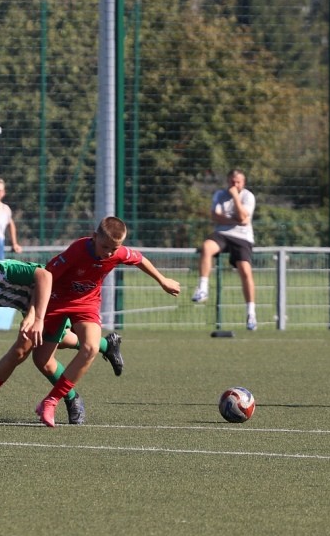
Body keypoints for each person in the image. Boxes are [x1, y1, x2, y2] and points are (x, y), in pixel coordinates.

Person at [0, 260, 125, 425]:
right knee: (54, 349)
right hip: (32, 308)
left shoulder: (5, 271)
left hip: (53, 298)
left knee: (25, 353)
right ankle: (106, 346)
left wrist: (35, 317)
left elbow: (45, 276)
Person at [32, 217, 180, 427]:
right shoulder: (77, 251)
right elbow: (46, 275)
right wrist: (34, 313)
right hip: (57, 302)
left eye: (115, 248)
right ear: (94, 237)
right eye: (105, 247)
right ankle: (86, 377)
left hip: (86, 304)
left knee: (90, 347)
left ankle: (53, 400)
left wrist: (163, 280)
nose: (110, 253)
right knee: (42, 361)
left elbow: (140, 260)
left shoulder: (117, 252)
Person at [190, 169, 258, 331]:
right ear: (228, 181)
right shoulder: (219, 195)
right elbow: (215, 216)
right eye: (232, 182)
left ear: (243, 183)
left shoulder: (248, 196)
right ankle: (203, 288)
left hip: (242, 238)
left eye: (238, 182)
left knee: (245, 272)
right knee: (207, 247)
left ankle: (251, 313)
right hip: (222, 234)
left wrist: (235, 197)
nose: (234, 185)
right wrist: (233, 220)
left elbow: (243, 218)